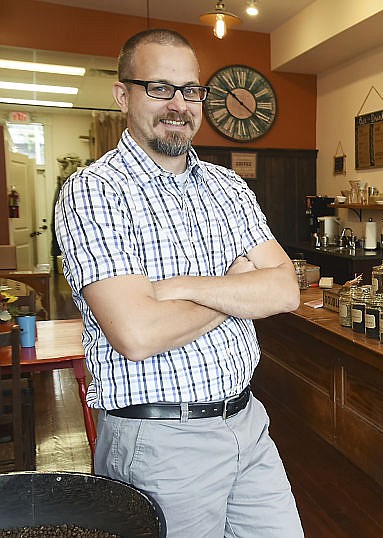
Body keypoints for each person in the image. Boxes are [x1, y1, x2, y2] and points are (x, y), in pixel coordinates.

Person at [54, 29, 304, 538]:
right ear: (123, 95)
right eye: (160, 88)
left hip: (247, 424)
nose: (179, 105)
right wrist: (235, 289)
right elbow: (138, 334)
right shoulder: (94, 193)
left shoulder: (228, 186)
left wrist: (182, 285)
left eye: (190, 90)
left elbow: (284, 290)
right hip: (158, 441)